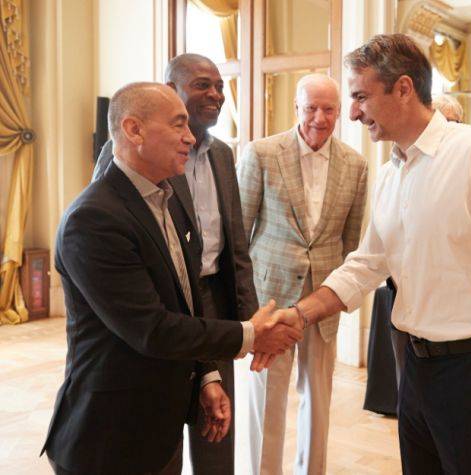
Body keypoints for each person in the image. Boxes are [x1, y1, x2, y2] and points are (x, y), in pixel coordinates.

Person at [260, 34, 471, 474]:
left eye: (361, 97)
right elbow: (366, 264)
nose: (353, 113)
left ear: (404, 88)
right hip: (414, 370)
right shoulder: (392, 174)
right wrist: (299, 315)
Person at [41, 82, 303, 475]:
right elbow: (152, 329)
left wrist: (207, 375)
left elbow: (185, 302)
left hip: (159, 427)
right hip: (109, 437)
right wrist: (251, 334)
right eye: (178, 125)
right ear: (134, 130)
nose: (191, 137)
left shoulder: (168, 201)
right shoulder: (94, 219)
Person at [93, 54, 255, 474]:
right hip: (160, 299)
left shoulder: (223, 154)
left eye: (220, 86)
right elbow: (111, 224)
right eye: (203, 85)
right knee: (165, 404)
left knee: (216, 415)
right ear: (171, 89)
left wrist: (248, 315)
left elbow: (236, 240)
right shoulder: (123, 157)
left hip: (213, 297)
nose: (216, 95)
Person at [237, 73, 368, 475]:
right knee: (267, 398)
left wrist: (339, 297)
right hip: (270, 299)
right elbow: (239, 235)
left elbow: (351, 243)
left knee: (318, 397)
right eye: (311, 108)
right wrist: (244, 305)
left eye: (329, 109)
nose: (319, 118)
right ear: (296, 107)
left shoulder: (356, 165)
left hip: (323, 300)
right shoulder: (261, 154)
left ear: (340, 111)